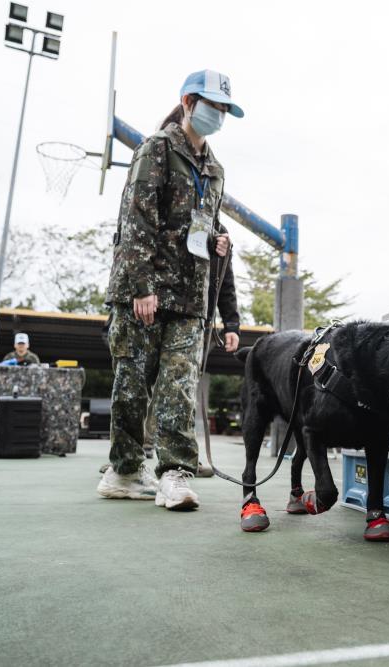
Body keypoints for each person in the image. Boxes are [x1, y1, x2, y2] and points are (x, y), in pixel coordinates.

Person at [97, 69, 244, 510]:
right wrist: (142, 287)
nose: (217, 115)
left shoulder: (214, 170)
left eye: (223, 109)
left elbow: (211, 233)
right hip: (144, 293)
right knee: (132, 387)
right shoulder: (156, 149)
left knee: (178, 387)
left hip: (189, 298)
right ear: (187, 102)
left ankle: (175, 474)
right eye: (211, 106)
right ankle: (123, 470)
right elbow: (136, 219)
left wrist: (228, 314)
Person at [141, 236, 241, 473]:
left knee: (183, 387)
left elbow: (225, 281)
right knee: (139, 383)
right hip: (153, 311)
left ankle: (184, 454)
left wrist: (231, 325)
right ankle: (129, 455)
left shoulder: (219, 231)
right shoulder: (163, 209)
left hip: (194, 318)